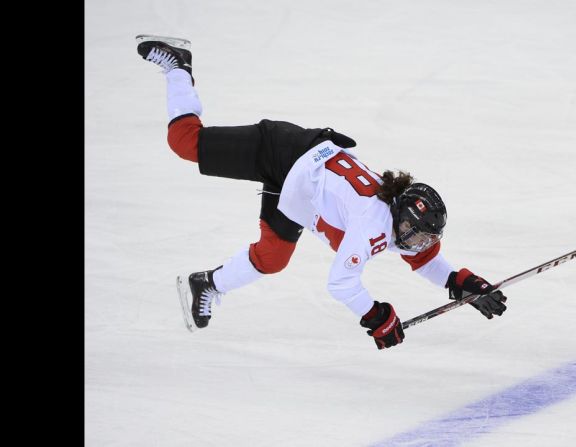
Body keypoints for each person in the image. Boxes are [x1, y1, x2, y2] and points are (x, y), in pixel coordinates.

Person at [136, 36, 507, 350]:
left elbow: (423, 260)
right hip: (282, 152)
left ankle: (206, 284)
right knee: (184, 142)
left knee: (273, 257)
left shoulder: (397, 217)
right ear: (401, 219)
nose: (421, 242)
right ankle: (178, 66)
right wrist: (376, 315)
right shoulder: (371, 226)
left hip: (303, 186)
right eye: (419, 233)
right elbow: (341, 283)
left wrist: (459, 281)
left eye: (427, 235)